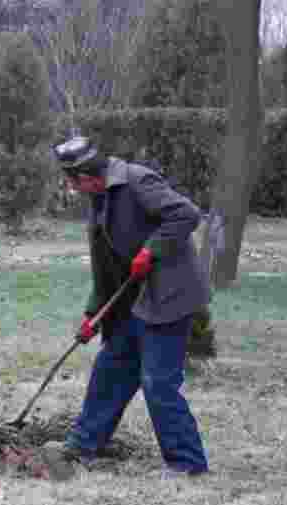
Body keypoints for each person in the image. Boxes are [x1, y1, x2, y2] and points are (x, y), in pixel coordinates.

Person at [50, 135, 211, 480]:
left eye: (71, 181)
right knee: (111, 368)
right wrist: (92, 315)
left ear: (86, 176)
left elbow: (186, 215)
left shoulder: (137, 181)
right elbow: (104, 267)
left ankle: (187, 463)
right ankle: (84, 444)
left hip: (169, 293)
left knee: (157, 381)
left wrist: (152, 249)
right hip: (132, 300)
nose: (71, 188)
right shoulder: (97, 199)